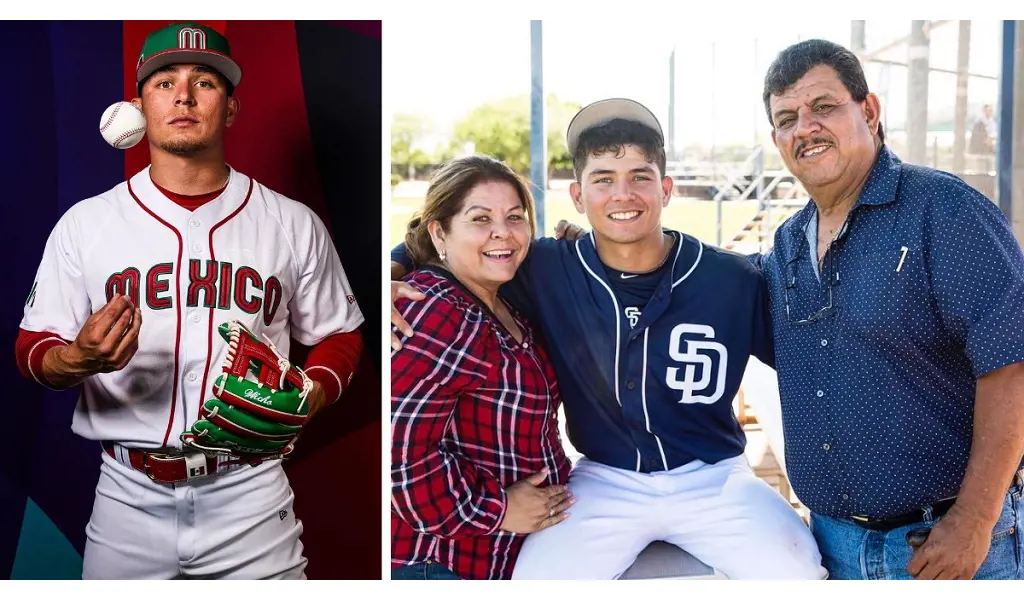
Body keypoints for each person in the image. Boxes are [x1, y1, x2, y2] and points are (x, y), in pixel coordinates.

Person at [391, 99, 825, 580]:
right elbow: (454, 243)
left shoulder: (733, 277)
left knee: (798, 572)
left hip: (714, 476)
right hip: (605, 477)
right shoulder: (544, 268)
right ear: (577, 196)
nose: (623, 195)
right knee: (536, 582)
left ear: (666, 188)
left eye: (640, 177)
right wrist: (390, 269)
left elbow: (813, 357)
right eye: (603, 180)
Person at [15, 22, 365, 579]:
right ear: (138, 107)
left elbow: (339, 334)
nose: (183, 95)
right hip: (127, 495)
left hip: (250, 492)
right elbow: (34, 346)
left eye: (205, 82)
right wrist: (74, 359)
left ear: (229, 109)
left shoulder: (291, 223)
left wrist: (311, 395)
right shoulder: (85, 224)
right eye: (164, 82)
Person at [759, 38, 1024, 580]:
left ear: (870, 111)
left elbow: (1013, 362)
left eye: (824, 107)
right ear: (777, 139)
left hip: (946, 546)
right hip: (831, 545)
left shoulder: (943, 210)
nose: (805, 127)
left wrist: (975, 518)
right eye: (787, 118)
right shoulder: (786, 245)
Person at [390, 155, 573, 580]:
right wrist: (499, 509)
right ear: (439, 232)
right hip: (440, 562)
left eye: (515, 217)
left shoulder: (501, 299)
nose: (502, 233)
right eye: (480, 218)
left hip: (495, 556)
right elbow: (398, 453)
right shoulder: (436, 309)